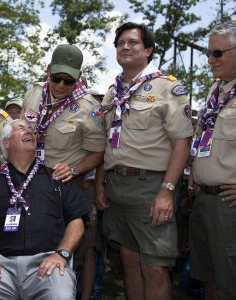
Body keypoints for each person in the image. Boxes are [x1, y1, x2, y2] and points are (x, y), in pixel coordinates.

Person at [96, 22, 193, 300]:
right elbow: (106, 139)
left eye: (132, 42)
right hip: (117, 187)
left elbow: (182, 141)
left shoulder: (167, 88)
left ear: (148, 50)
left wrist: (167, 190)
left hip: (150, 187)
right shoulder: (113, 92)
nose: (125, 47)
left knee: (154, 267)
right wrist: (102, 186)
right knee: (129, 260)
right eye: (120, 43)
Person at [0, 119, 91, 300]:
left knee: (60, 295)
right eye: (21, 128)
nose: (29, 131)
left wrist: (62, 253)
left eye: (31, 129)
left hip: (46, 265)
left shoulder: (57, 178)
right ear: (6, 142)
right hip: (0, 267)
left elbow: (76, 220)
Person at [21, 44, 106, 299]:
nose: (59, 85)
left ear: (78, 78)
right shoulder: (34, 94)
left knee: (80, 250)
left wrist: (74, 169)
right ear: (47, 71)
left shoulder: (89, 107)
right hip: (32, 185)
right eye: (55, 78)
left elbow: (99, 152)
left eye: (68, 81)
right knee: (34, 245)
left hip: (69, 187)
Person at [189, 20, 236, 300]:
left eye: (217, 53)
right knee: (208, 278)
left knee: (230, 283)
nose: (210, 60)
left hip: (228, 205)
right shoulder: (216, 91)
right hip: (203, 200)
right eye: (209, 53)